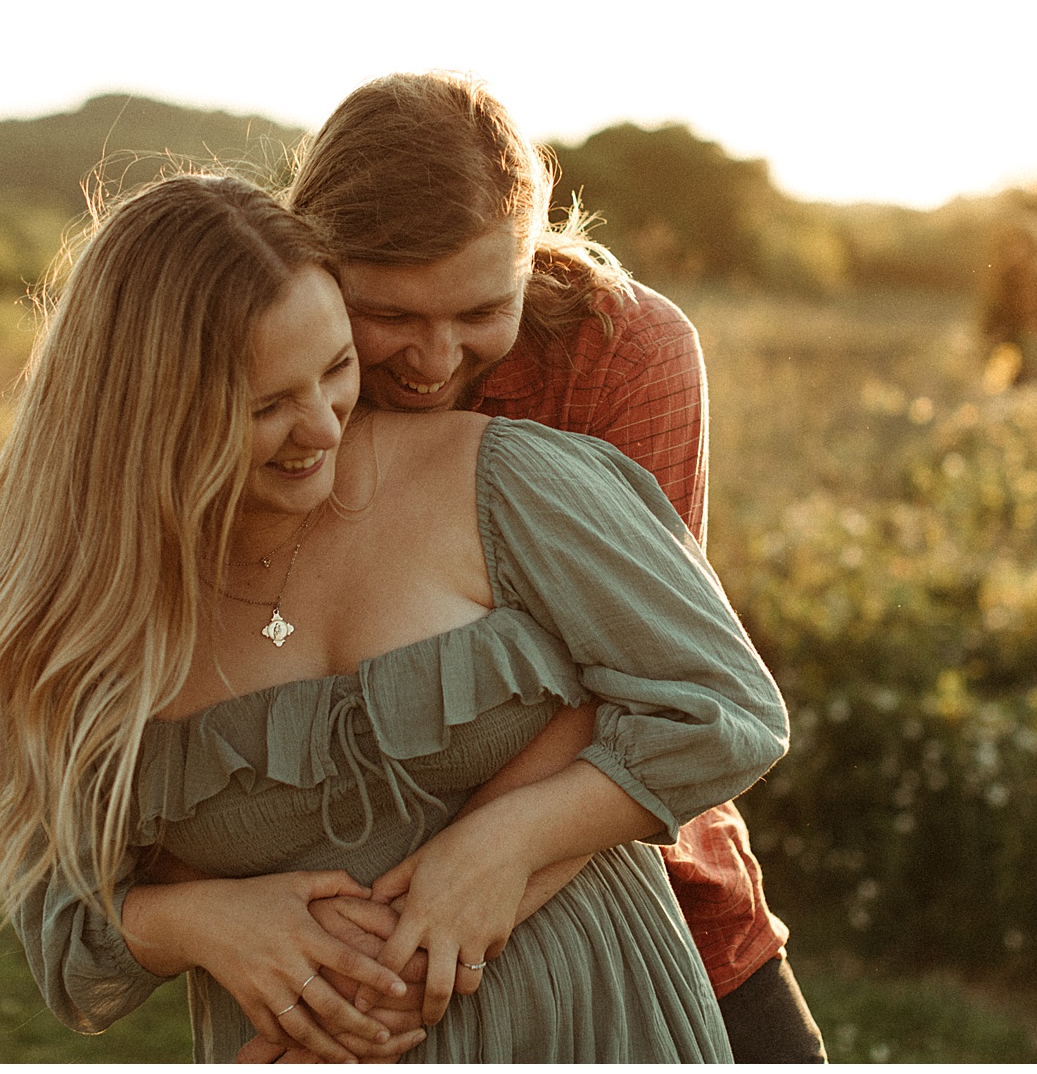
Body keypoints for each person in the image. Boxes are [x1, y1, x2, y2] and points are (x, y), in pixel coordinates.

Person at [0, 173, 790, 1062]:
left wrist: (507, 843)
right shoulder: (93, 618)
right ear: (145, 420)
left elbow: (727, 709)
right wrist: (198, 923)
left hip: (593, 1027)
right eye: (267, 406)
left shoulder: (499, 481)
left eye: (335, 371)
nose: (322, 426)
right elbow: (60, 929)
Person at [285, 71, 827, 1063]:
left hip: (654, 891)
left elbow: (643, 673)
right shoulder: (279, 382)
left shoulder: (621, 348)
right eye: (390, 314)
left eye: (481, 311)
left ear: (530, 257)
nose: (434, 359)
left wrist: (493, 850)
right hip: (359, 946)